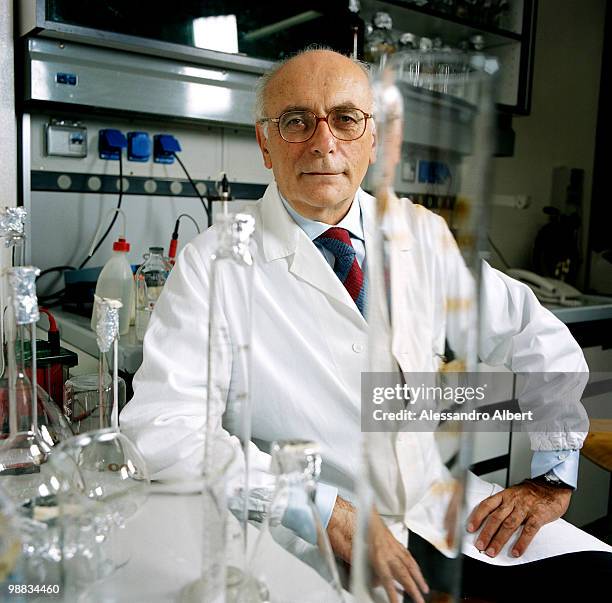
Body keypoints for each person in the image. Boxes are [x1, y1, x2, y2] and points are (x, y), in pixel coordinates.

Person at [120, 48, 612, 602]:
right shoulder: (216, 262)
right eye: (297, 121)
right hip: (302, 544)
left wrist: (552, 472)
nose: (324, 142)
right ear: (264, 142)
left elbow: (536, 337)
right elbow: (162, 428)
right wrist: (318, 509)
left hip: (445, 516)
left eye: (346, 119)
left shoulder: (420, 238)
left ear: (372, 138)